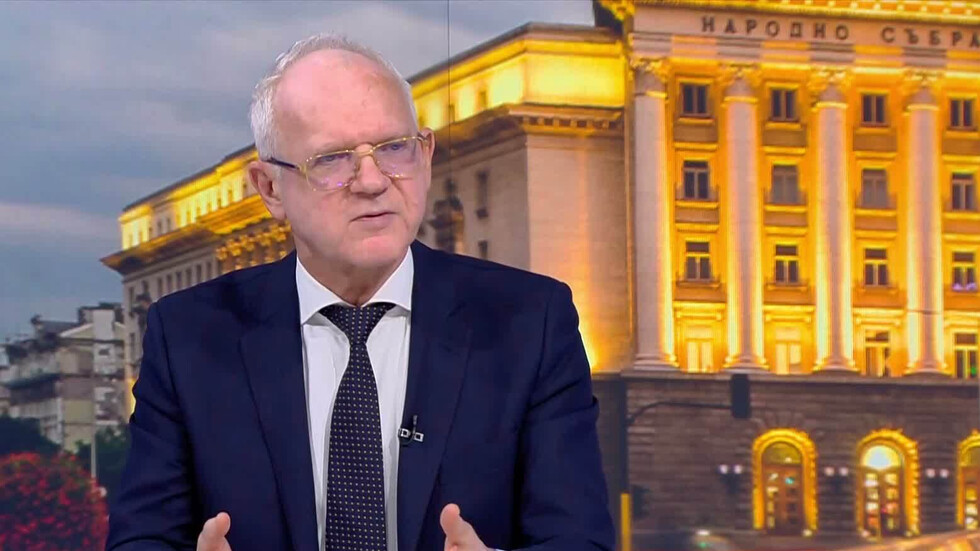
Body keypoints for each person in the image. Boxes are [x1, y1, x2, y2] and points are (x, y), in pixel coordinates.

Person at [106, 33, 614, 551]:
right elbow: (140, 539)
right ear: (270, 188)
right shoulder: (189, 337)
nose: (372, 181)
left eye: (394, 148)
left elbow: (579, 539)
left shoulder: (530, 322)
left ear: (426, 155)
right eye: (332, 159)